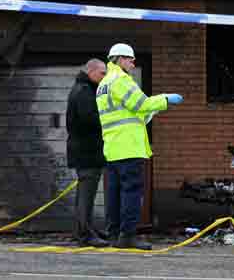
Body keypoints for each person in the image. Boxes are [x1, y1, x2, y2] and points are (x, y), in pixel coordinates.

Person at [97, 42, 183, 251]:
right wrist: (164, 99)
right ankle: (128, 236)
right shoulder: (122, 80)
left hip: (113, 148)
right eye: (130, 59)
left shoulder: (103, 84)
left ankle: (115, 234)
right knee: (132, 192)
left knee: (115, 193)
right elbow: (142, 104)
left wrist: (147, 113)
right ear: (119, 59)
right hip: (129, 147)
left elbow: (128, 113)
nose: (133, 64)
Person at [66, 58, 108, 247]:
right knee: (86, 195)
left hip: (85, 150)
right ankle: (85, 234)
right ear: (90, 71)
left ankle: (82, 229)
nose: (104, 77)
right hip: (87, 151)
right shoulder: (84, 91)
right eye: (102, 73)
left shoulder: (84, 89)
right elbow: (90, 120)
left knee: (84, 194)